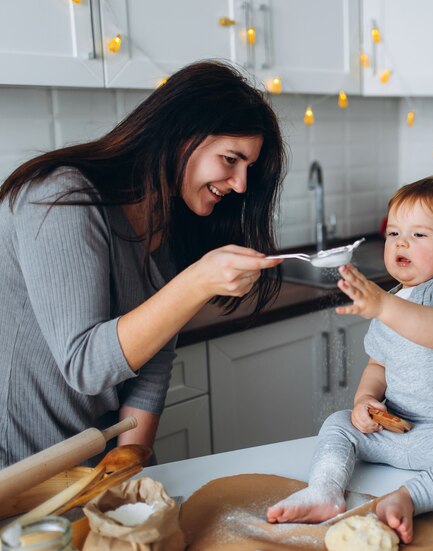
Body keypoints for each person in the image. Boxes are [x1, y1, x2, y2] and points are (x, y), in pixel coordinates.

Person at [0, 61, 285, 467]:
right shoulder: (60, 197)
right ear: (181, 137)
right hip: (21, 469)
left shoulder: (164, 225)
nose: (241, 184)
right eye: (230, 159)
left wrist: (128, 466)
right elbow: (84, 365)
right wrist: (197, 282)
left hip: (92, 461)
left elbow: (153, 365)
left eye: (248, 169)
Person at [267, 176, 433, 544]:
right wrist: (365, 400)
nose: (402, 242)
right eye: (394, 233)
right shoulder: (389, 302)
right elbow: (377, 366)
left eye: (420, 235)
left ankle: (409, 497)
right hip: (397, 429)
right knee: (337, 423)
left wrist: (383, 305)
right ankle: (325, 491)